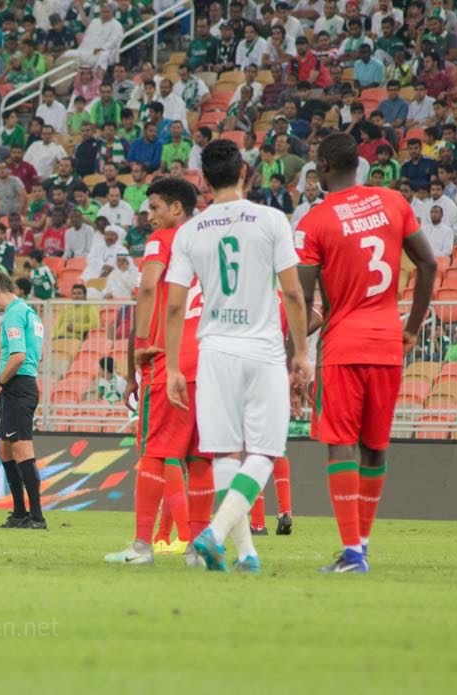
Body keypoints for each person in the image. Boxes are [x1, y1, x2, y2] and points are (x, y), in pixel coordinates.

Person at [165, 138, 312, 574]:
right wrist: (302, 352)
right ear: (246, 172)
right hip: (262, 349)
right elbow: (292, 291)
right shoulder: (271, 220)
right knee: (264, 451)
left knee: (226, 455)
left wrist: (173, 365)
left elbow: (174, 305)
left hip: (214, 351)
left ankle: (245, 553)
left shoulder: (191, 231)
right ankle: (215, 533)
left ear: (204, 182)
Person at [296, 133, 437, 573]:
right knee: (374, 448)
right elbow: (430, 264)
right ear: (357, 165)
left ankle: (352, 552)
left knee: (340, 445)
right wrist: (411, 328)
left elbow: (299, 300)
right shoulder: (393, 202)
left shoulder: (315, 221)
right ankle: (363, 545)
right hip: (387, 343)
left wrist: (294, 356)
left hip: (342, 346)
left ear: (321, 168)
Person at [105, 177, 212, 566]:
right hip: (210, 364)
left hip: (170, 361)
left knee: (154, 453)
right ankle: (199, 550)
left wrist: (138, 350)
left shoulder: (164, 240)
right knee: (200, 458)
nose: (150, 217)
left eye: (155, 208)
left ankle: (141, 547)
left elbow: (148, 288)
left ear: (176, 209)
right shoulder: (211, 242)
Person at [0, 271, 46, 530]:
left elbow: (18, 356)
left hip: (18, 386)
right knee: (4, 450)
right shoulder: (30, 312)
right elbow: (34, 354)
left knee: (21, 450)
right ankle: (19, 513)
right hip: (22, 386)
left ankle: (37, 517)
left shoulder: (13, 315)